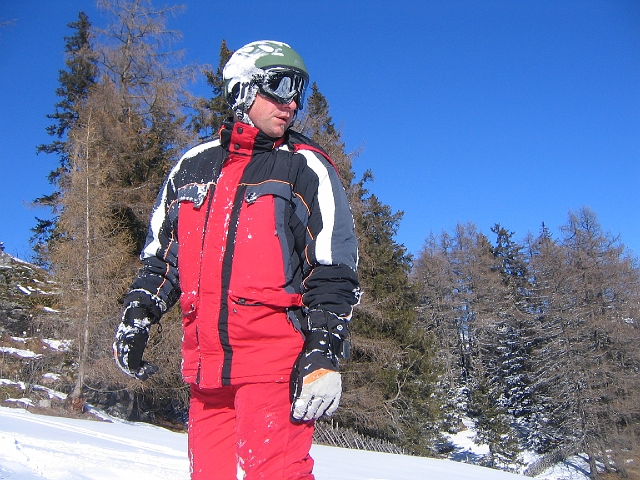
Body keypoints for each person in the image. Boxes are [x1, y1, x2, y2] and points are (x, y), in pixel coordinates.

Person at [112, 40, 360, 480]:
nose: (292, 103)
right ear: (243, 89)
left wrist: (323, 349)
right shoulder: (191, 167)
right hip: (206, 372)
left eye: (299, 91)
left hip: (273, 366)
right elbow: (163, 259)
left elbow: (333, 268)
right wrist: (138, 315)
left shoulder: (304, 167)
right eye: (280, 86)